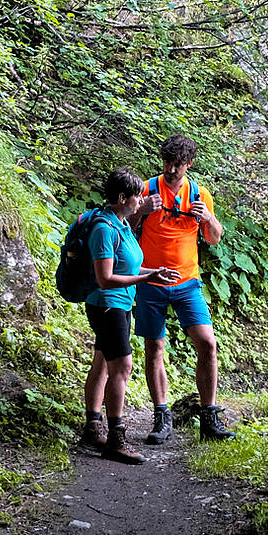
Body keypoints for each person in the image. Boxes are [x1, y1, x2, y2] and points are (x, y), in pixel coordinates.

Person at [130, 134, 235, 444]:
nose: (171, 169)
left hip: (188, 281)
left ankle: (209, 418)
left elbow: (215, 238)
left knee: (207, 344)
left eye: (178, 164)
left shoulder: (199, 194)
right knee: (155, 348)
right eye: (167, 162)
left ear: (190, 164)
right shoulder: (147, 189)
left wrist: (209, 218)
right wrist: (142, 211)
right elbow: (126, 226)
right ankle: (162, 418)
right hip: (149, 279)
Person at [78, 167, 180, 464]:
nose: (142, 201)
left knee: (103, 361)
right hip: (108, 304)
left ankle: (93, 424)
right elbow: (105, 278)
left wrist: (154, 273)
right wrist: (145, 280)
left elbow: (129, 268)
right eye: (138, 197)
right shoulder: (104, 229)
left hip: (120, 303)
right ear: (123, 198)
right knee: (122, 367)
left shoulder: (121, 224)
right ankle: (116, 437)